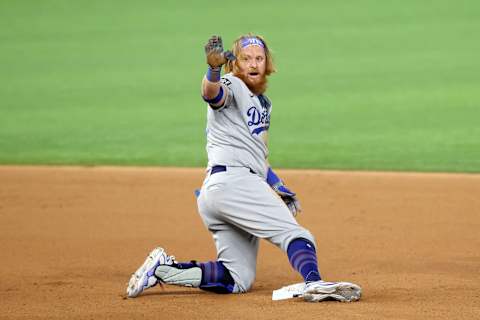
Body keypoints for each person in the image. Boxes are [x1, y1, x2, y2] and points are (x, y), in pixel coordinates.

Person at [126, 34, 361, 302]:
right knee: (296, 234)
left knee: (238, 278)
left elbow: (257, 155)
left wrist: (276, 184)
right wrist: (213, 70)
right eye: (246, 58)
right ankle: (314, 282)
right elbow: (211, 94)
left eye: (259, 58)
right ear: (234, 63)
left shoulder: (263, 103)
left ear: (267, 63)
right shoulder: (231, 84)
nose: (253, 64)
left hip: (219, 192)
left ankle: (163, 270)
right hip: (233, 183)